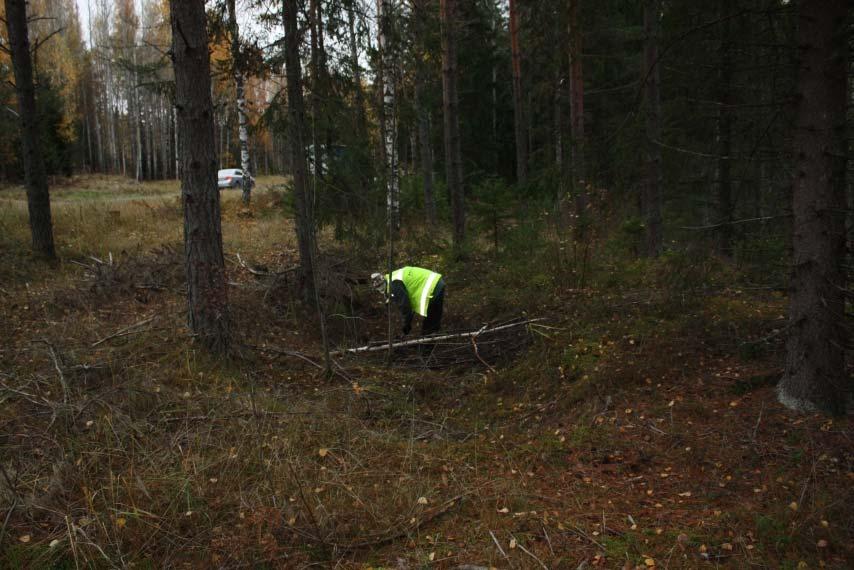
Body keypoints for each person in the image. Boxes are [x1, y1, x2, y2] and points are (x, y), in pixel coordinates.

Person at [371, 266, 445, 336]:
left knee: (430, 323)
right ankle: (432, 340)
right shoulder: (392, 278)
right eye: (378, 288)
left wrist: (406, 325)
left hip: (432, 287)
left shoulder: (393, 284)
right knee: (433, 319)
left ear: (383, 282)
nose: (380, 290)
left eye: (380, 287)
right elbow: (407, 304)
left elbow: (405, 306)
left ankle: (428, 346)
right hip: (436, 282)